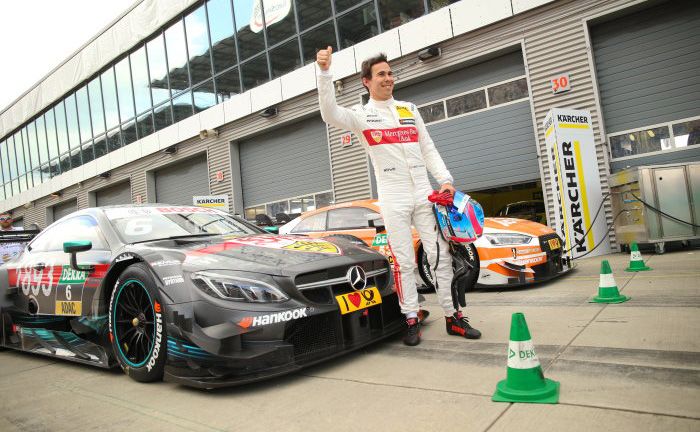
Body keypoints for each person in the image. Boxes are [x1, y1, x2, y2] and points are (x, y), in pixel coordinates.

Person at [316, 47, 481, 346]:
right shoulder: (361, 116)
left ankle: (452, 316)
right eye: (381, 74)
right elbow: (329, 113)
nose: (388, 78)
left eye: (391, 73)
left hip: (424, 193)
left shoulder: (409, 109)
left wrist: (444, 180)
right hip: (392, 197)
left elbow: (428, 147)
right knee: (404, 262)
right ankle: (410, 318)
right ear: (366, 81)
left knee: (441, 256)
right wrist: (325, 73)